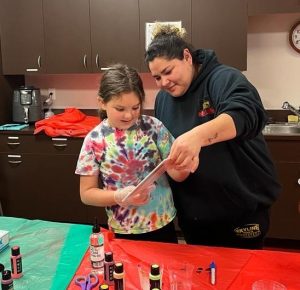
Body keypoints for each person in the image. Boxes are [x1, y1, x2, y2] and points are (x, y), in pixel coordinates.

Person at [144, 24, 281, 249]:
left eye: (168, 72)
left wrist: (197, 137)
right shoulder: (162, 100)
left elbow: (246, 114)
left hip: (240, 211)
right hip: (194, 214)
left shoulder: (223, 78)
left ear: (187, 57)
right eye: (157, 77)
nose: (164, 82)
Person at [75, 63, 189, 243]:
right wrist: (118, 196)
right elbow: (86, 194)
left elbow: (177, 174)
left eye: (135, 108)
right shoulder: (95, 139)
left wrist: (183, 166)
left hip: (163, 223)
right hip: (124, 229)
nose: (129, 115)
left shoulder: (153, 127)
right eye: (120, 109)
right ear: (102, 102)